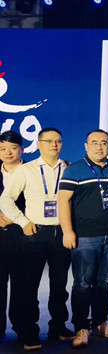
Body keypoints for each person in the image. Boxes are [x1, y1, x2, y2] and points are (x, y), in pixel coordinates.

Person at [0, 128, 73, 351]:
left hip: (61, 233)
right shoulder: (27, 169)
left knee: (59, 286)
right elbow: (5, 199)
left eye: (58, 141)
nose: (54, 144)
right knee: (29, 287)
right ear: (38, 144)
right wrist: (23, 222)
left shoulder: (70, 169)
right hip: (34, 234)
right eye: (48, 141)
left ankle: (58, 327)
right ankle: (29, 332)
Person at [58, 129, 108, 348]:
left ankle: (100, 323)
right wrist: (68, 231)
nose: (99, 147)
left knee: (105, 282)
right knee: (83, 284)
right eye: (94, 143)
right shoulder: (74, 169)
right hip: (84, 237)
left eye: (104, 143)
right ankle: (81, 327)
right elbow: (63, 201)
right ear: (86, 146)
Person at [0, 131, 25, 340]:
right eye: (3, 149)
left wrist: (14, 218)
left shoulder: (32, 171)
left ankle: (21, 326)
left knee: (21, 285)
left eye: (13, 148)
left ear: (22, 150)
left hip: (23, 235)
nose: (8, 152)